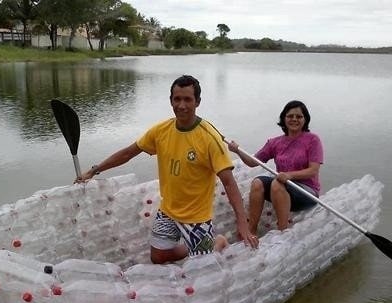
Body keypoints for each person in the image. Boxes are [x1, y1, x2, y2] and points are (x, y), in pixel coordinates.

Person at [75, 75, 258, 264]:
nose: (181, 105)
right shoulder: (161, 131)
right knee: (158, 257)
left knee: (203, 268)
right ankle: (200, 246)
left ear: (198, 102)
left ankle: (216, 243)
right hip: (168, 210)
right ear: (171, 100)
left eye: (187, 99)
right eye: (177, 99)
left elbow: (229, 182)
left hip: (197, 217)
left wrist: (242, 223)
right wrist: (94, 170)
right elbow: (128, 153)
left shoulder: (209, 138)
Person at [228, 100, 323, 236]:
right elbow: (253, 162)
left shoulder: (313, 140)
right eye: (290, 116)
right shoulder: (275, 142)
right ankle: (251, 230)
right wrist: (237, 150)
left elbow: (313, 170)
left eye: (299, 116)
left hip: (306, 193)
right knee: (257, 182)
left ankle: (282, 232)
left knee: (277, 183)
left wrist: (290, 175)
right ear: (284, 118)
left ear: (305, 119)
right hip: (282, 186)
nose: (294, 119)